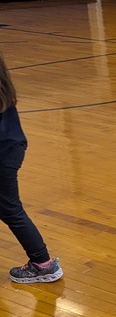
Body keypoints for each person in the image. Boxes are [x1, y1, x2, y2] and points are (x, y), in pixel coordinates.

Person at [0, 51, 63, 284]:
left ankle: (42, 264)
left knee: (10, 209)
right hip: (12, 146)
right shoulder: (2, 79)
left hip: (3, 152)